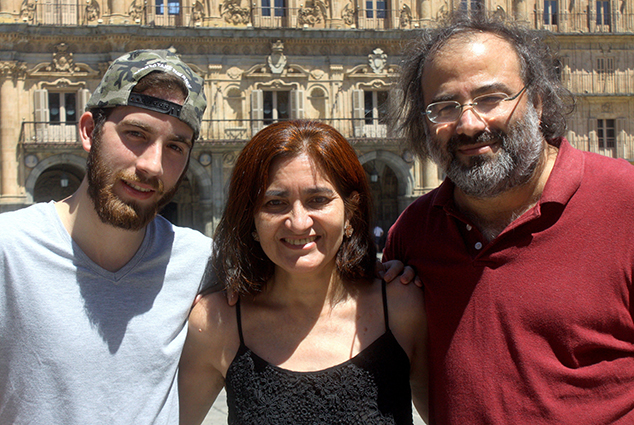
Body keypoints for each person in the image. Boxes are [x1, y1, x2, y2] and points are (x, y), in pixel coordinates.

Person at [384, 12, 634, 424]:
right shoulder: (413, 234)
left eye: (490, 98)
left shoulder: (624, 202)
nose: (468, 123)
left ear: (535, 103)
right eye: (445, 106)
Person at [0, 49, 212, 424]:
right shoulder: (8, 251)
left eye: (176, 146)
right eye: (135, 134)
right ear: (88, 131)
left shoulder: (199, 261)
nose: (151, 164)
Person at [178, 120, 429, 425]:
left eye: (318, 200)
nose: (298, 222)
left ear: (351, 211)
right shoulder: (216, 322)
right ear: (252, 221)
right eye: (275, 203)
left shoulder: (403, 306)